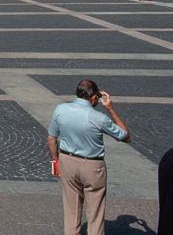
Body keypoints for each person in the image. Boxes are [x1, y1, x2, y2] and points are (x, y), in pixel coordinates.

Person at [47, 79, 131, 235]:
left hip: (67, 161)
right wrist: (110, 109)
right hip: (92, 167)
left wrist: (56, 160)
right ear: (93, 98)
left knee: (71, 211)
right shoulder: (99, 118)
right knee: (95, 213)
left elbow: (51, 138)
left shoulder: (60, 109)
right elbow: (125, 136)